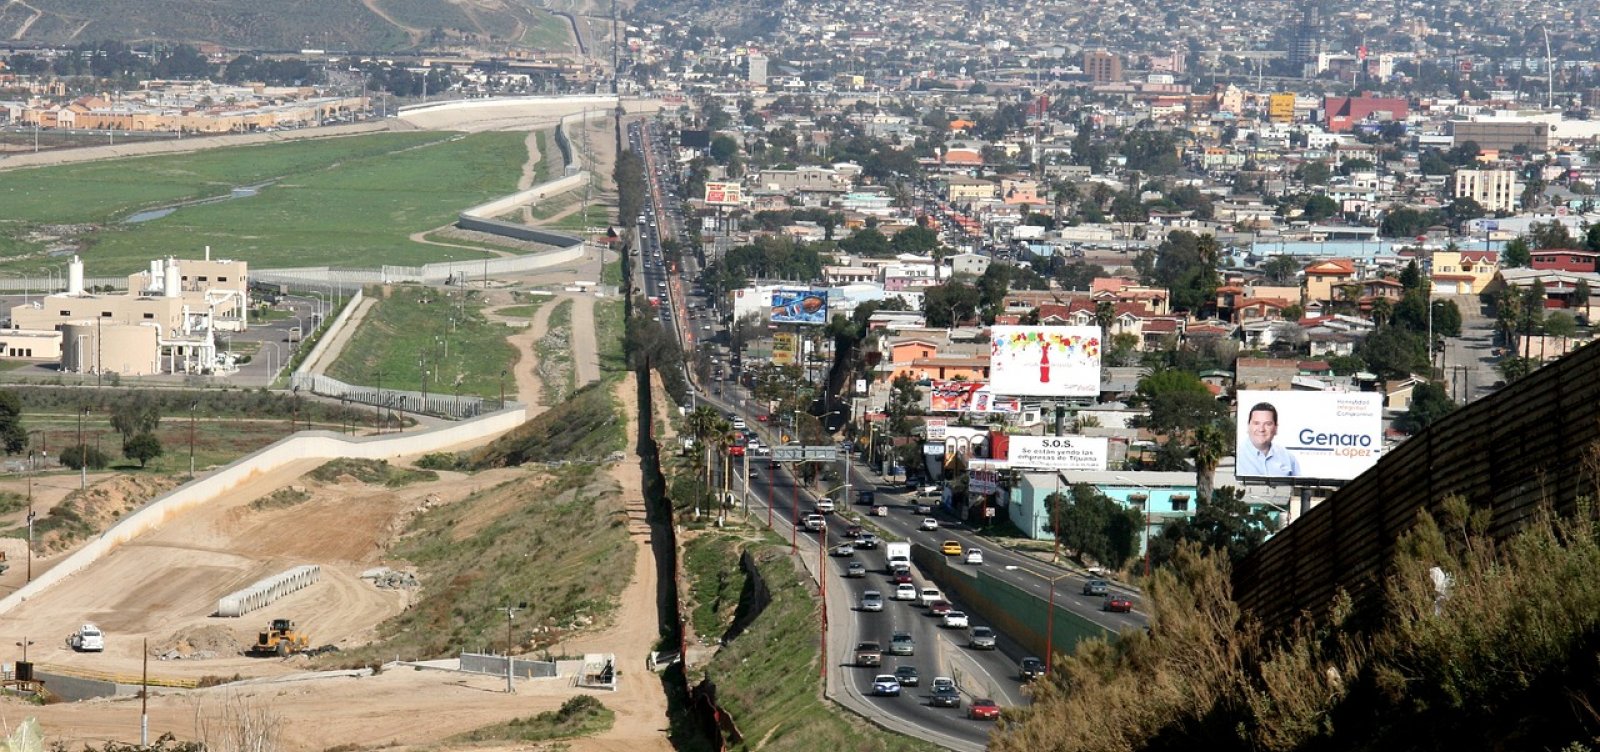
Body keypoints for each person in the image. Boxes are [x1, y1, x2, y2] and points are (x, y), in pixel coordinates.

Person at [1238, 402, 1300, 477]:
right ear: (1248, 426)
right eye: (1256, 423)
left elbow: (1298, 487)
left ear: (1276, 428)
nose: (1261, 429)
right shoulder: (1238, 456)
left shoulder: (1288, 458)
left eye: (1268, 424)